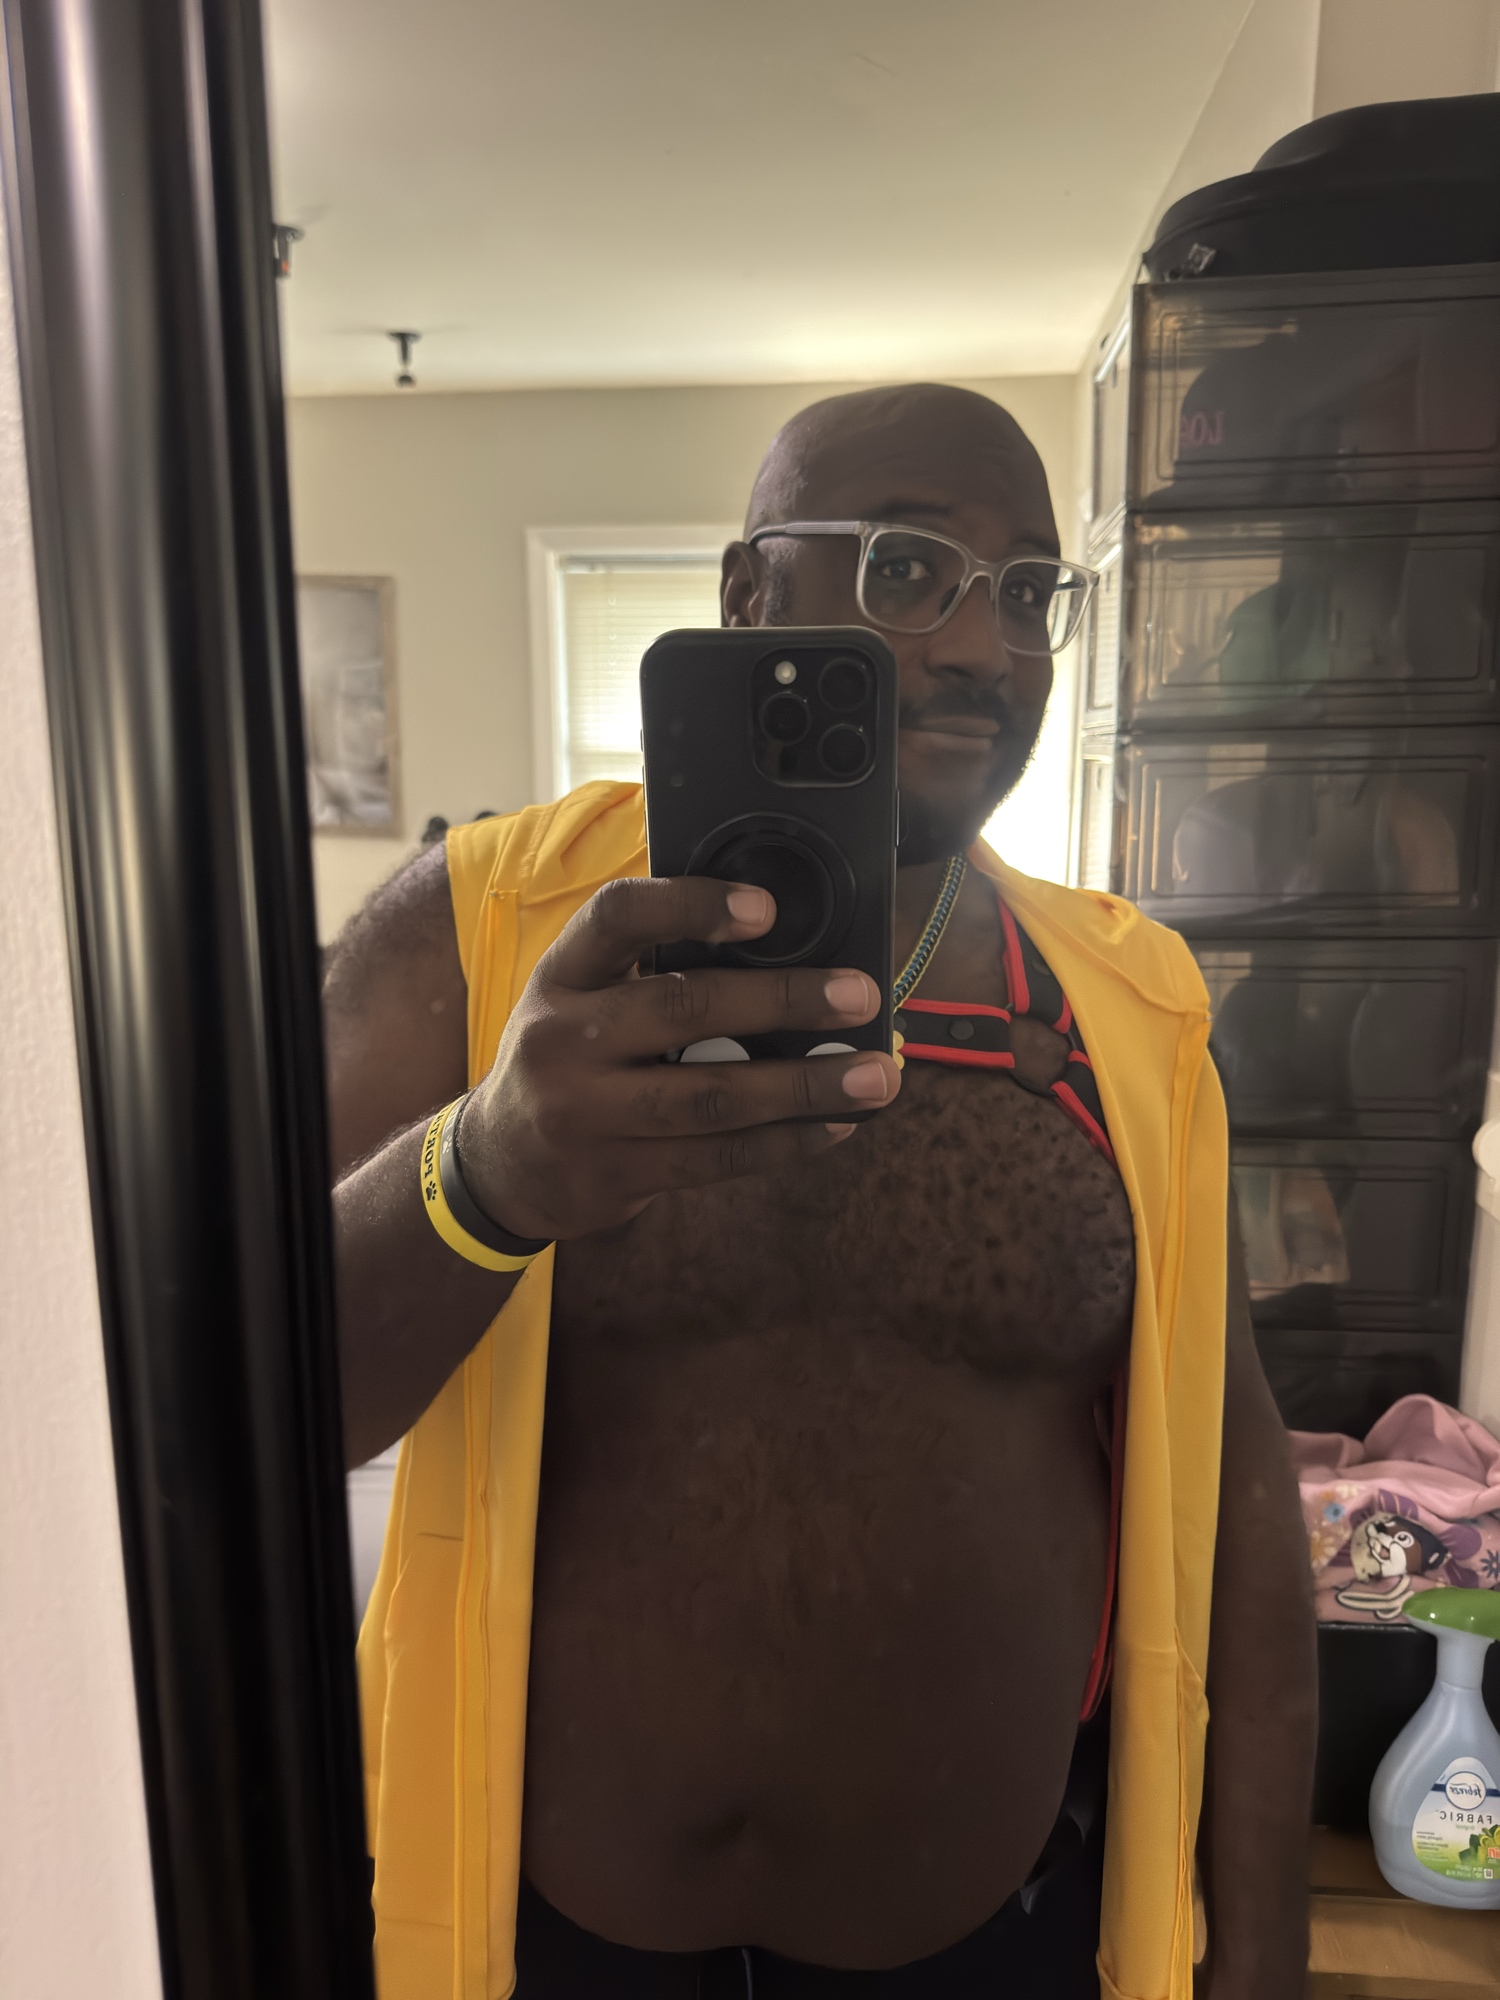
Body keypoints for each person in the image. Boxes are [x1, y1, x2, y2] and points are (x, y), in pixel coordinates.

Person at [326, 383, 1316, 2000]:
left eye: (1027, 592)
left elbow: (1236, 1509)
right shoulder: (479, 932)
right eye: (906, 569)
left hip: (997, 1946)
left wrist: (1263, 1956)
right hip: (533, 1939)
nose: (984, 647)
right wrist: (488, 1173)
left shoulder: (1128, 1014)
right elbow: (251, 1410)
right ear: (746, 597)